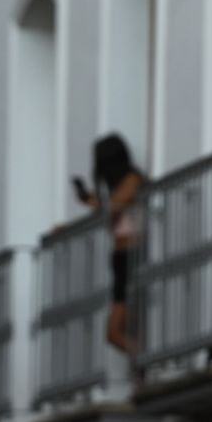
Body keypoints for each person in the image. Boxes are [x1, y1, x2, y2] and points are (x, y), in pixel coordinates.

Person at [73, 133, 146, 358]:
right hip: (121, 258)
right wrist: (89, 200)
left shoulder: (133, 180)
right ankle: (144, 361)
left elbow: (114, 207)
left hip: (132, 256)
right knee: (119, 330)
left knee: (114, 332)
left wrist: (92, 201)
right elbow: (110, 208)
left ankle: (146, 359)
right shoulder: (120, 187)